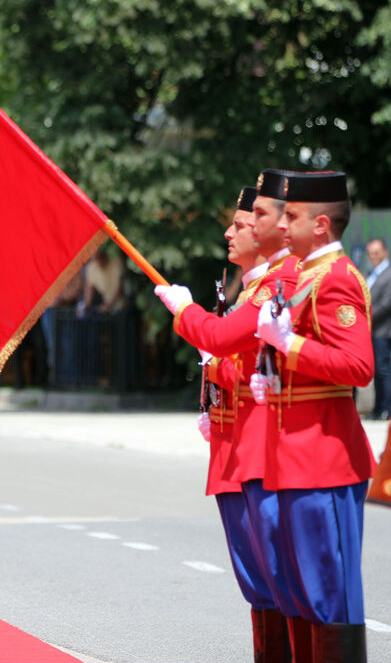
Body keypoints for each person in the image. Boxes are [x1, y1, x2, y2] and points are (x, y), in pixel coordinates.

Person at [156, 185, 299, 660]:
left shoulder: (283, 281)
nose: (231, 231)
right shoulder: (251, 287)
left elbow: (224, 339)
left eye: (242, 222)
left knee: (279, 579)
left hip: (262, 447)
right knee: (257, 581)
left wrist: (184, 311)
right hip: (235, 443)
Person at [255, 169, 376, 660]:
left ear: (322, 224)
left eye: (293, 216)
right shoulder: (303, 276)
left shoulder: (336, 280)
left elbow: (359, 366)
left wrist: (291, 345)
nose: (283, 225)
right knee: (298, 596)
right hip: (294, 457)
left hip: (325, 460)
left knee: (329, 598)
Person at [365, 238, 391, 419]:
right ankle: (378, 409)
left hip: (383, 331)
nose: (373, 256)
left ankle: (387, 409)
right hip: (372, 331)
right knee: (376, 372)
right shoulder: (372, 274)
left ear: (385, 252)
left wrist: (365, 318)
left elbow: (386, 305)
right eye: (370, 253)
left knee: (384, 371)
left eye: (376, 252)